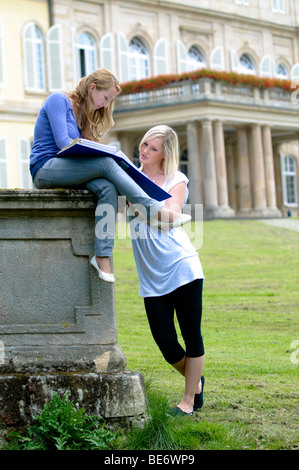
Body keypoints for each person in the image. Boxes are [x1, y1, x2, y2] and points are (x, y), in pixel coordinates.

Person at [29, 69, 191, 283]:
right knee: (107, 162)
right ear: (93, 88)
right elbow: (63, 144)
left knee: (107, 187)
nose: (105, 105)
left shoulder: (84, 114)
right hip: (45, 168)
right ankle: (152, 209)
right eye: (106, 98)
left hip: (68, 169)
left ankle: (102, 255)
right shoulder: (58, 100)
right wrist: (103, 154)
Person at [129, 125, 205, 416]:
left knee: (191, 335)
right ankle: (195, 381)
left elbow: (170, 215)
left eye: (153, 148)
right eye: (144, 144)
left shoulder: (176, 179)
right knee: (166, 343)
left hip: (181, 266)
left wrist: (138, 204)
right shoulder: (132, 176)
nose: (144, 150)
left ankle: (187, 402)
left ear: (165, 154)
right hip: (151, 275)